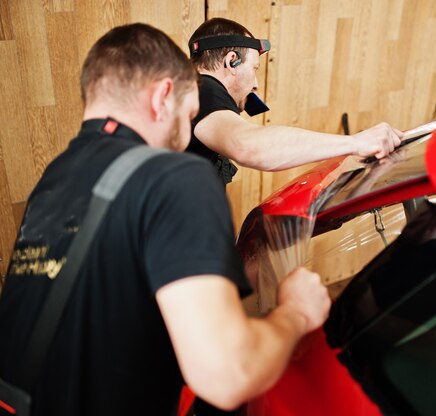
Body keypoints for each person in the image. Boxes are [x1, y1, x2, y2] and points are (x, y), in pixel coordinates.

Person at [0, 23, 330, 416]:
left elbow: (115, 292)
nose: (182, 140)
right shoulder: (175, 174)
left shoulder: (55, 180)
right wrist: (295, 312)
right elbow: (229, 373)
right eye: (189, 117)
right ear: (162, 97)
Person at [186, 17, 404, 185]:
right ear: (231, 61)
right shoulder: (203, 89)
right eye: (254, 69)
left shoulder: (192, 89)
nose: (256, 85)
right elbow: (247, 146)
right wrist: (355, 143)